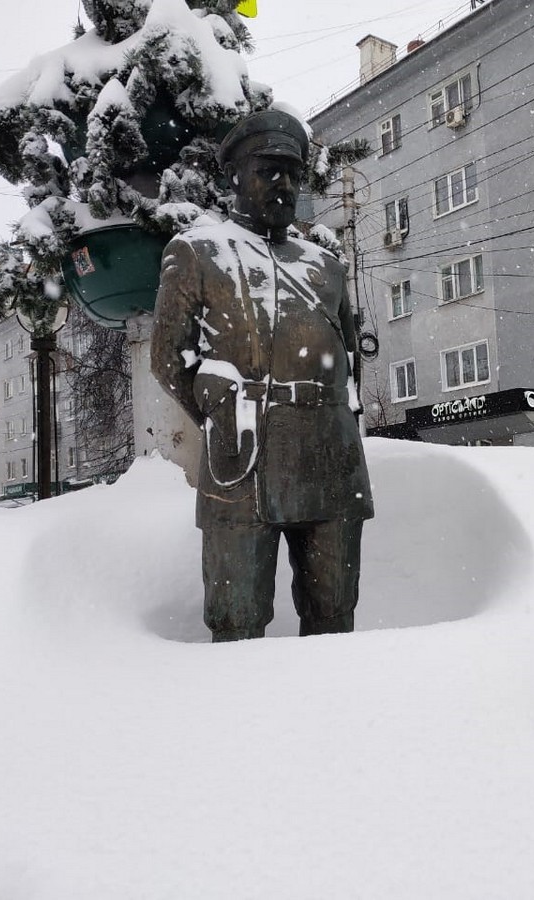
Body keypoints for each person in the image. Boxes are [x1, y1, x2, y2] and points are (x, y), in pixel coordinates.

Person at [151, 109, 374, 642]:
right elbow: (167, 357)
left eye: (293, 174)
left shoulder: (325, 266)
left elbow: (348, 355)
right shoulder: (197, 253)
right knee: (236, 617)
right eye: (269, 171)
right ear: (235, 177)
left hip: (329, 454)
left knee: (334, 612)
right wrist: (222, 412)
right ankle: (240, 719)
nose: (284, 185)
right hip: (241, 459)